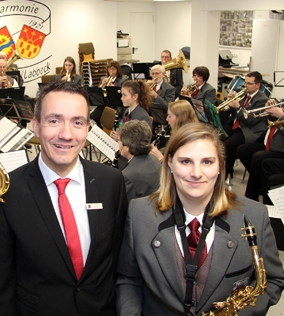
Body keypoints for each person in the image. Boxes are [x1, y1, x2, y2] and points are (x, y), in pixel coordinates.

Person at [0, 81, 128, 315]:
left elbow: (117, 260)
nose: (66, 134)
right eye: (54, 120)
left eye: (77, 122)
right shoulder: (6, 192)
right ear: (36, 126)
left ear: (88, 128)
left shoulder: (111, 182)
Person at [116, 122, 284, 316]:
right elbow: (129, 279)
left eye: (207, 162)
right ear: (169, 162)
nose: (196, 173)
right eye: (186, 161)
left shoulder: (255, 215)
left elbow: (272, 280)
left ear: (220, 166)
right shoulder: (139, 213)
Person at [222, 71, 268, 182]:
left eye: (249, 83)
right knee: (217, 133)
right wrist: (230, 103)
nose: (245, 86)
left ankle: (228, 172)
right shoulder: (244, 95)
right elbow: (235, 113)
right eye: (245, 83)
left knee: (230, 144)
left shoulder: (262, 99)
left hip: (250, 130)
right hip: (238, 125)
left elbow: (251, 120)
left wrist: (237, 106)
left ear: (258, 85)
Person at [237, 99, 284, 202]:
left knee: (260, 158)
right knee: (243, 150)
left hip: (279, 147)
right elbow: (272, 121)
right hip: (267, 140)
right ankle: (257, 190)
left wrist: (282, 116)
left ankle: (252, 196)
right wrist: (270, 110)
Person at [117, 120, 161, 200]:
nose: (118, 143)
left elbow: (123, 205)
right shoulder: (154, 158)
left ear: (127, 148)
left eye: (119, 141)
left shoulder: (127, 176)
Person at [90, 60, 129, 127]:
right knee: (92, 116)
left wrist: (113, 88)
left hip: (116, 105)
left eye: (113, 69)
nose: (111, 71)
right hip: (104, 103)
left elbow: (123, 94)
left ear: (118, 70)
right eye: (109, 69)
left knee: (107, 119)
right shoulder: (103, 78)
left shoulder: (123, 80)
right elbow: (97, 94)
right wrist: (101, 85)